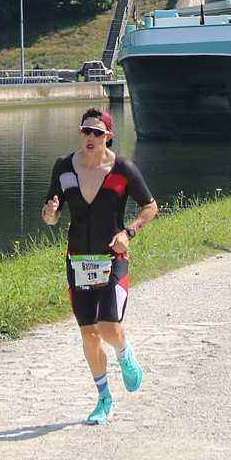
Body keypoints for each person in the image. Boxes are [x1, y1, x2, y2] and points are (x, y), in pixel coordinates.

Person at [42, 108, 159, 425]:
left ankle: (124, 353)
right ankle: (104, 400)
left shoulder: (122, 168)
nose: (89, 137)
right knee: (90, 336)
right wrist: (50, 213)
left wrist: (129, 232)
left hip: (113, 260)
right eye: (84, 130)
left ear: (108, 135)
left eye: (96, 132)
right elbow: (50, 211)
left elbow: (150, 205)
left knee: (108, 328)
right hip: (78, 261)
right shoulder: (64, 167)